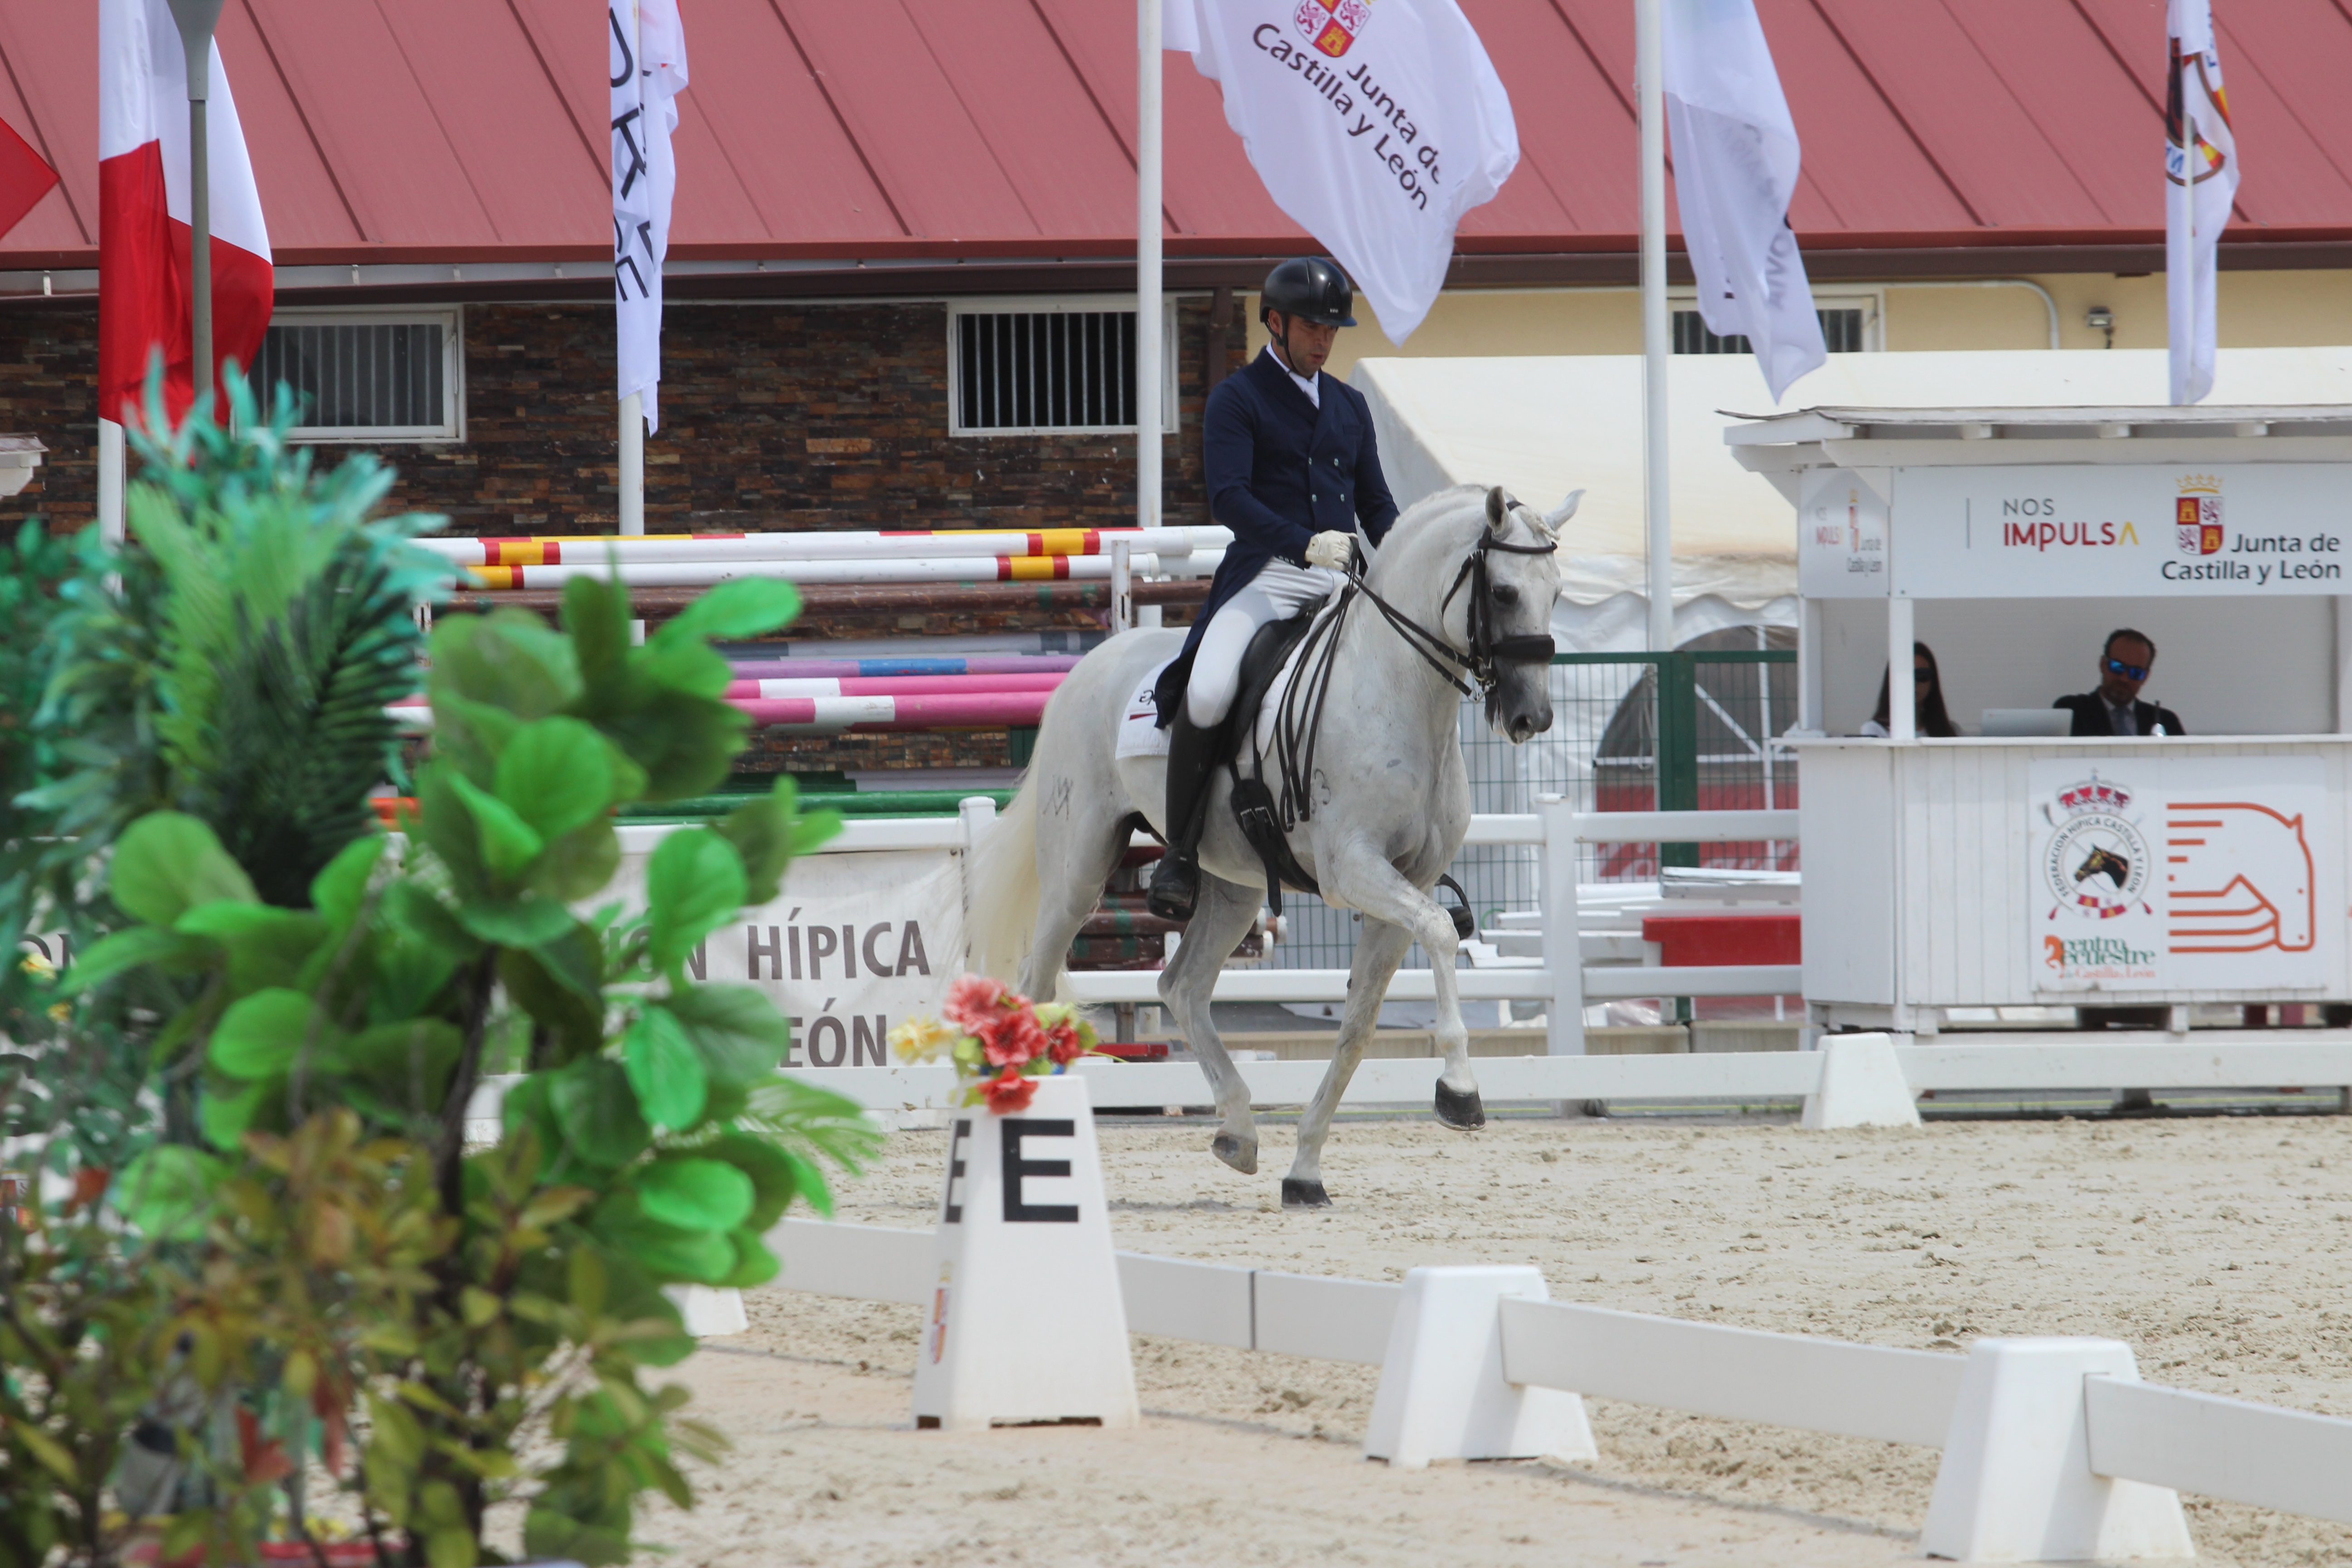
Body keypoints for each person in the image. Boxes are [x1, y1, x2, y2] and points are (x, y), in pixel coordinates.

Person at [1144, 256, 1401, 921]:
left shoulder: (1349, 405)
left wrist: (1406, 555)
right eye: (1313, 328)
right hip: (1270, 575)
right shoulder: (1238, 398)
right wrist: (1303, 543)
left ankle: (1415, 845)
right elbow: (1229, 497)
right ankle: (1179, 852)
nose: (1324, 340)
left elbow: (1376, 505)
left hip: (1341, 581)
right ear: (1276, 324)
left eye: (1332, 330)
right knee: (1208, 689)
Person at [2053, 629, 2185, 737]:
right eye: (2118, 667)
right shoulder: (2072, 712)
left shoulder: (2166, 721)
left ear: (2146, 677)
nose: (2124, 678)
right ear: (2103, 665)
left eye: (2136, 673)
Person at [1860, 641, 1959, 738]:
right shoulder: (1876, 731)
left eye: (1922, 675)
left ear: (1933, 682)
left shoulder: (1951, 731)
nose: (1914, 683)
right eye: (1906, 676)